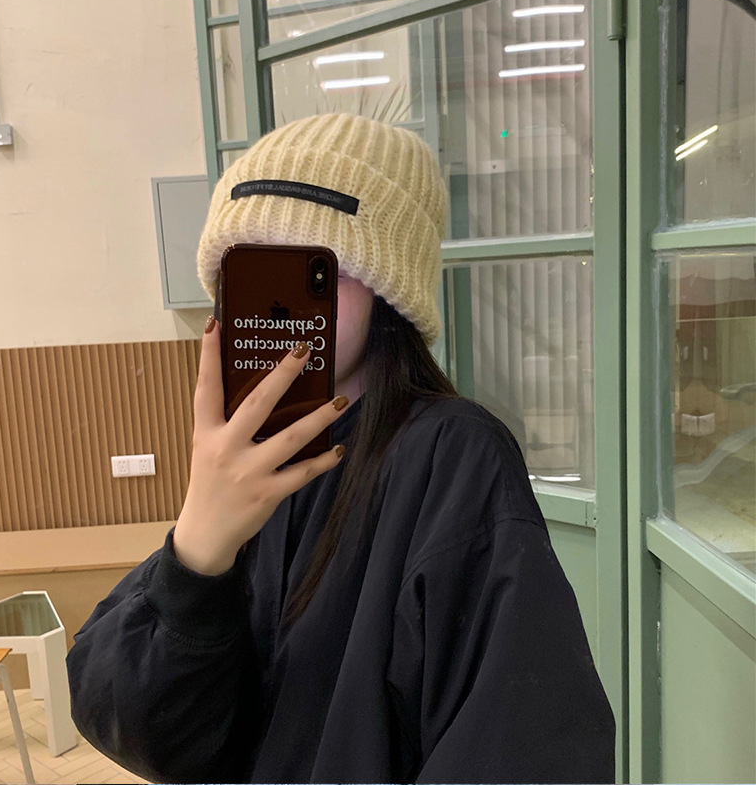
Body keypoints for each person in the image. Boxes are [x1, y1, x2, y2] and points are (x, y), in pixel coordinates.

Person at [67, 113, 615, 784]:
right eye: (249, 266)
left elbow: (526, 748)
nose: (275, 303)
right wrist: (197, 551)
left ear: (389, 287)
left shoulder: (451, 455)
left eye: (311, 267)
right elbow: (145, 734)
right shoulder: (246, 464)